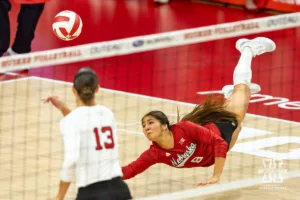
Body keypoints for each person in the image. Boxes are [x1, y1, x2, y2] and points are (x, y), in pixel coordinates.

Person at [121, 37, 276, 185]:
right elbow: (130, 170)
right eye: (144, 125)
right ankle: (232, 95)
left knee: (241, 95)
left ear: (164, 125)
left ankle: (248, 49)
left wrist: (216, 176)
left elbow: (219, 143)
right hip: (215, 153)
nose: (146, 127)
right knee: (240, 116)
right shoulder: (155, 153)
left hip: (221, 130)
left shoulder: (184, 128)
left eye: (150, 122)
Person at [43, 68, 132, 200]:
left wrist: (59, 197)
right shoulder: (107, 113)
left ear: (73, 90)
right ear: (97, 89)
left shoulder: (71, 121)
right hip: (119, 189)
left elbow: (71, 160)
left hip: (91, 193)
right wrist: (62, 107)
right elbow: (86, 122)